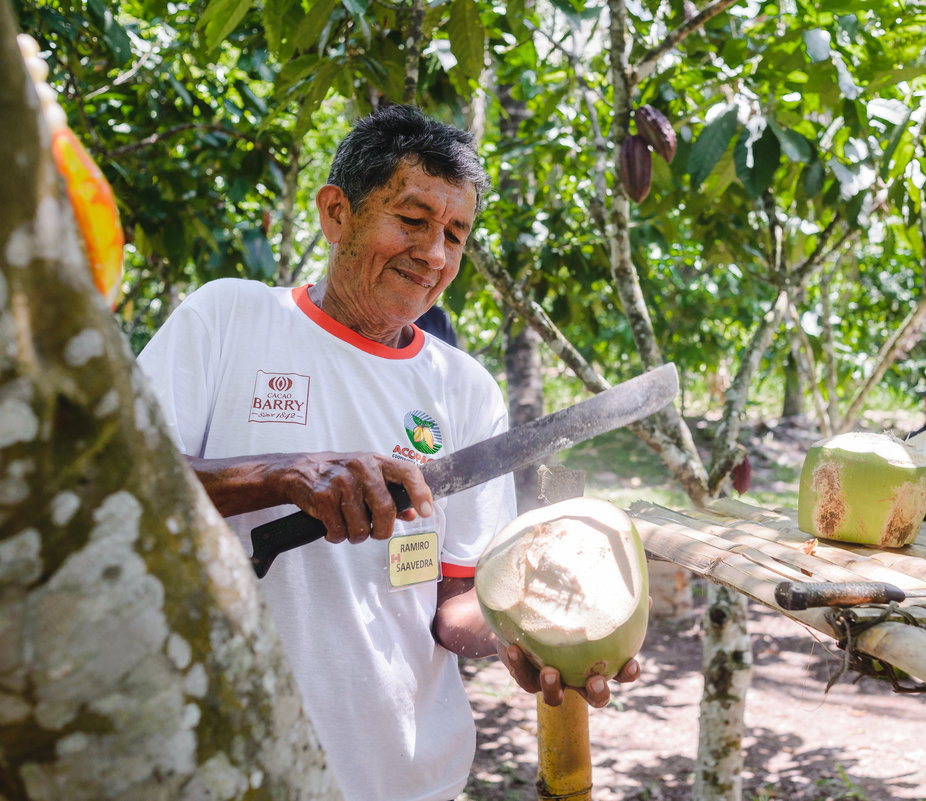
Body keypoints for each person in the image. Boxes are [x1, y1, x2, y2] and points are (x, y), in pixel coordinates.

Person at [137, 104, 638, 801]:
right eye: (412, 220)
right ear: (336, 212)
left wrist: (523, 637)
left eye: (455, 234)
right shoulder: (227, 320)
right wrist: (281, 474)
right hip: (229, 764)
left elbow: (455, 597)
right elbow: (122, 485)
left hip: (404, 775)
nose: (435, 254)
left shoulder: (462, 388)